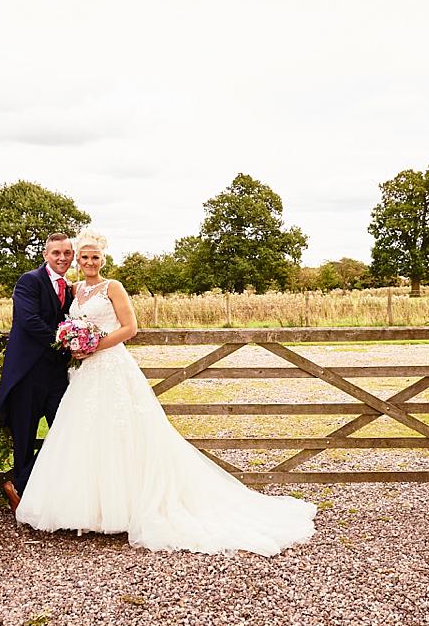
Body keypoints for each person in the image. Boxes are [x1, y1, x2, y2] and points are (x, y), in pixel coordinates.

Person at [16, 229, 316, 556]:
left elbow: (130, 328)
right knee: (86, 434)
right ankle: (86, 510)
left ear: (103, 258)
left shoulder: (112, 287)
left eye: (94, 257)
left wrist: (93, 346)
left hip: (112, 365)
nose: (88, 262)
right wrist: (75, 344)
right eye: (84, 257)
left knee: (125, 433)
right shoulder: (75, 290)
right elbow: (66, 325)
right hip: (86, 373)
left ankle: (126, 508)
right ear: (78, 259)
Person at [0, 232, 75, 512]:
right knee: (25, 438)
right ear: (45, 255)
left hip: (56, 377)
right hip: (27, 374)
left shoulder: (70, 288)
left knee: (66, 431)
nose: (62, 258)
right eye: (56, 253)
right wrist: (67, 343)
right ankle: (24, 499)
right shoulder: (29, 281)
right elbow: (29, 321)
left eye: (67, 253)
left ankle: (22, 485)